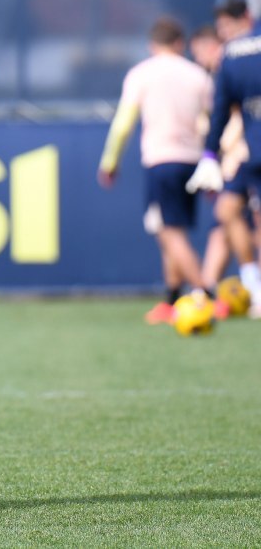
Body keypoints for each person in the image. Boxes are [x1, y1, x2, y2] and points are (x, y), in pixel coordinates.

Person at [98, 17, 218, 323]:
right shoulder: (198, 75)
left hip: (161, 160)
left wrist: (110, 161)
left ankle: (205, 293)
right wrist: (212, 164)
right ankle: (172, 299)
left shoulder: (141, 74)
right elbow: (211, 122)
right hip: (193, 160)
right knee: (170, 230)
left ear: (152, 44)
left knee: (169, 232)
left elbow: (123, 123)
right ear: (179, 43)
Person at [188, 0, 261, 316]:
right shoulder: (231, 56)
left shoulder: (233, 57)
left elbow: (221, 112)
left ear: (246, 17)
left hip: (248, 152)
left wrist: (209, 153)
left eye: (227, 26)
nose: (223, 33)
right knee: (227, 214)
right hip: (246, 155)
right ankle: (248, 284)